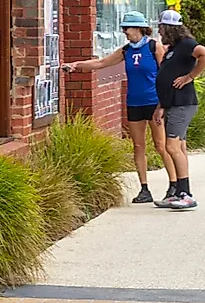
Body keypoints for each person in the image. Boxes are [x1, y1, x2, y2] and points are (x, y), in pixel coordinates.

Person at [70, 12, 164, 204]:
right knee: (138, 146)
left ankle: (175, 185)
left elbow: (165, 74)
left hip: (154, 101)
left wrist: (164, 103)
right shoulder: (125, 51)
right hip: (134, 102)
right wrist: (77, 65)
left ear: (138, 28)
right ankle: (144, 188)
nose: (124, 32)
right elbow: (101, 63)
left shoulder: (155, 47)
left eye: (127, 28)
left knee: (161, 145)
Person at [153, 19, 205, 209]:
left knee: (172, 147)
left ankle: (186, 194)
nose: (159, 30)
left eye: (161, 27)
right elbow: (167, 77)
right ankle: (179, 192)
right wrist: (161, 106)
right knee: (179, 146)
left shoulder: (187, 44)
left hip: (183, 103)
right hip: (171, 103)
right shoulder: (172, 48)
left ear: (169, 28)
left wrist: (190, 77)